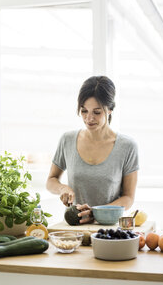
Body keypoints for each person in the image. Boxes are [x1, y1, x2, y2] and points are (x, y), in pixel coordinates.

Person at [46, 75, 139, 224]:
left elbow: (128, 198)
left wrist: (97, 213)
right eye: (84, 111)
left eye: (96, 112)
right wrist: (62, 188)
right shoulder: (67, 140)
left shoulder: (127, 146)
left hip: (108, 229)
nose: (89, 119)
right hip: (73, 230)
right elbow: (51, 181)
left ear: (110, 109)